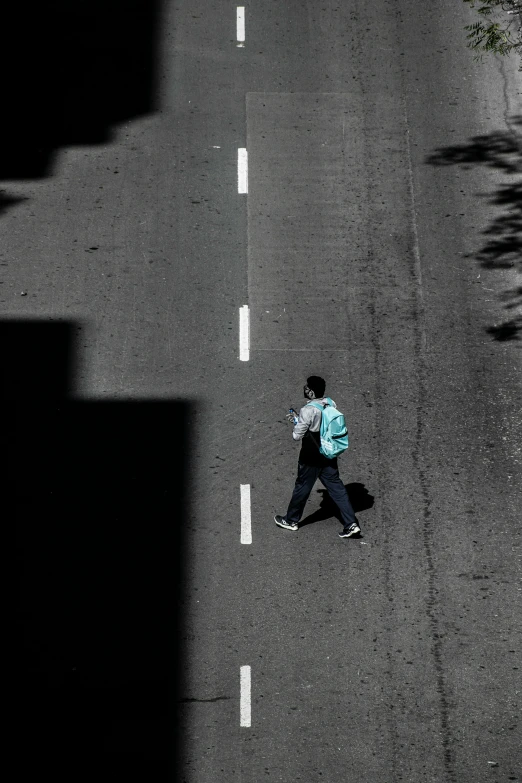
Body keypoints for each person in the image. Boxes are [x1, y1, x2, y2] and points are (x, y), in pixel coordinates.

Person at [274, 376, 361, 538]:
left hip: (310, 456)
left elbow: (296, 436)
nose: (305, 389)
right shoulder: (330, 402)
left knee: (302, 487)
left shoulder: (308, 410)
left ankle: (291, 520)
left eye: (307, 388)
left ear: (312, 392)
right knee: (337, 488)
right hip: (328, 451)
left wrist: (296, 421)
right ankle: (351, 523)